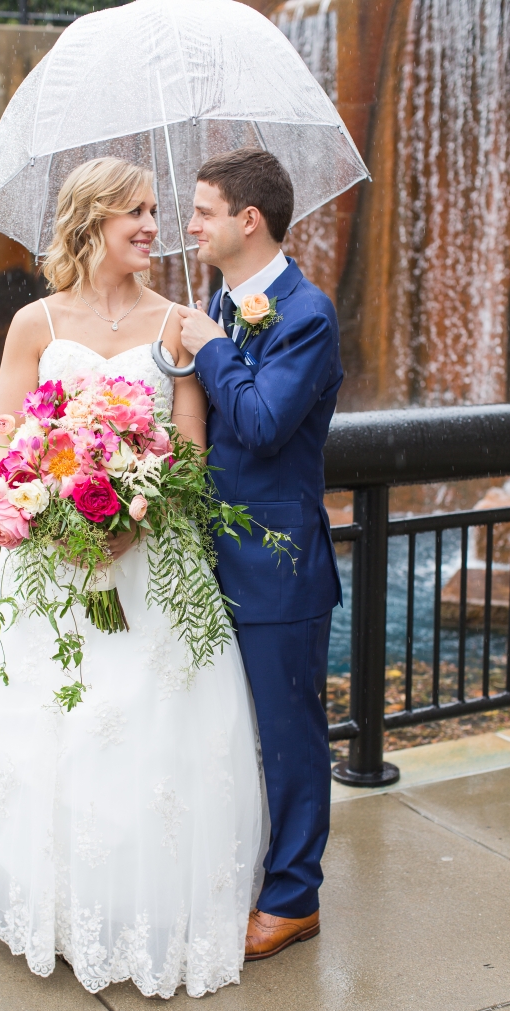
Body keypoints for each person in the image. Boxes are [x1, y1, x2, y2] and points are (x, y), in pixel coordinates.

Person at [0, 157, 263, 1000]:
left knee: (147, 736)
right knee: (51, 733)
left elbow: (187, 449)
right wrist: (53, 495)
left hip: (149, 557)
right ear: (89, 221)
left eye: (156, 210)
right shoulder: (34, 322)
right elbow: (5, 439)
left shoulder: (180, 323)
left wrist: (130, 506)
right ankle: (62, 910)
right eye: (134, 213)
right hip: (50, 555)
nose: (153, 225)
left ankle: (139, 909)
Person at [179, 147, 343, 961]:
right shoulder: (219, 299)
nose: (190, 223)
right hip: (205, 556)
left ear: (248, 221)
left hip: (277, 567)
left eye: (203, 210)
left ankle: (293, 898)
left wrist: (211, 346)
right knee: (221, 729)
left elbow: (264, 424)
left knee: (288, 735)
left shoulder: (306, 313)